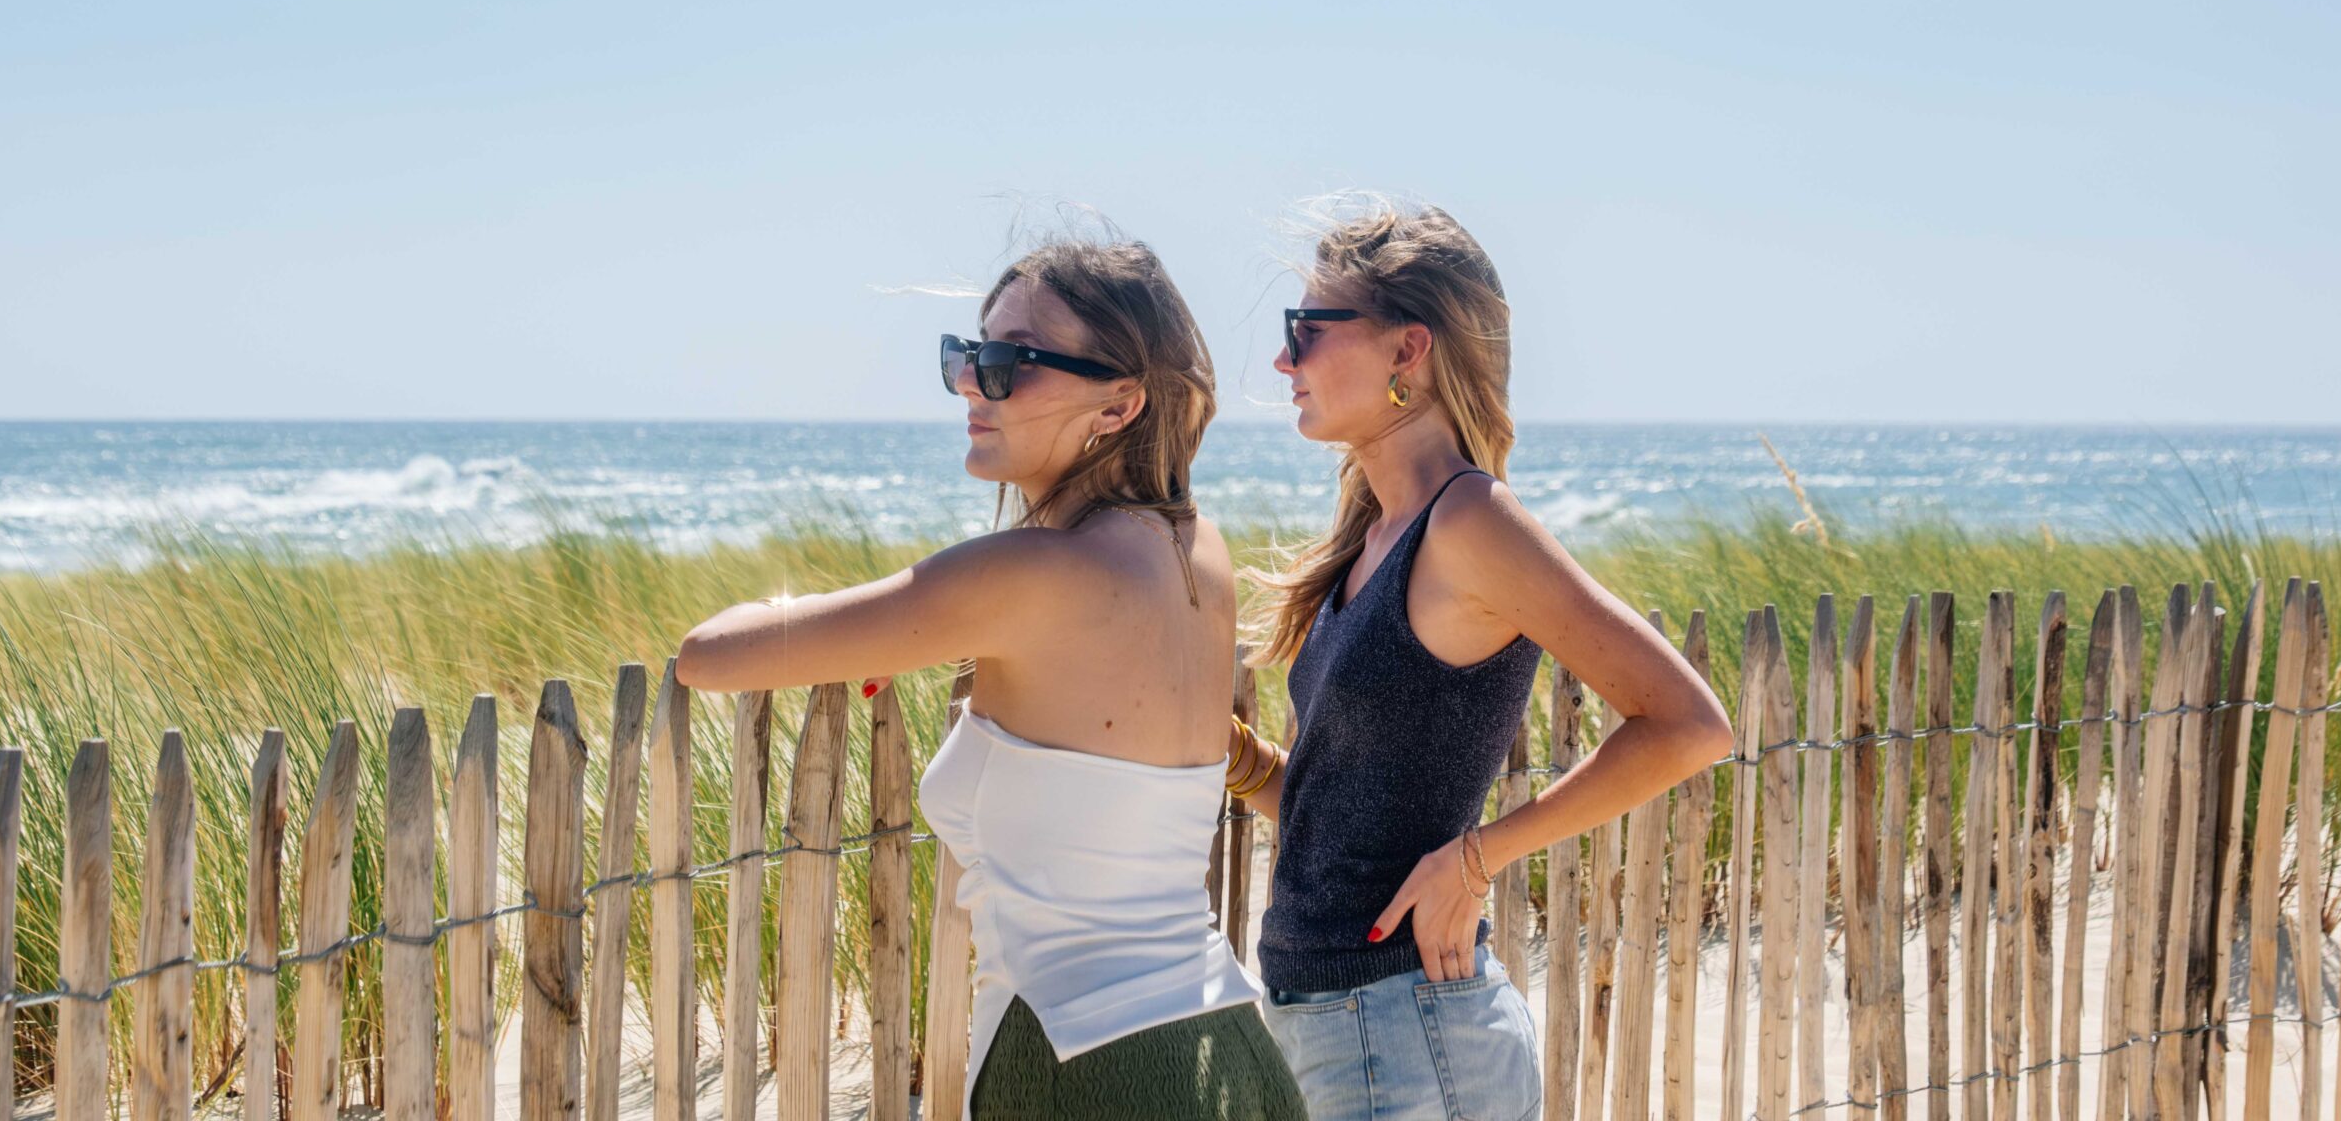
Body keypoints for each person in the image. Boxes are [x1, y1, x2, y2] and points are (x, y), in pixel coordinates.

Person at [676, 232, 1308, 1121]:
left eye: (1010, 363)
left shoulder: (1020, 575)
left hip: (1082, 1065)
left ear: (1120, 404)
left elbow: (710, 654)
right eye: (967, 357)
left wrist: (850, 623)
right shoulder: (1194, 550)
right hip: (1229, 1050)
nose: (974, 384)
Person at [1231, 197, 1733, 1121]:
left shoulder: (1468, 522)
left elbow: (1690, 725)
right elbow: (1343, 819)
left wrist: (1480, 857)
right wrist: (1241, 763)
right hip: (1334, 1027)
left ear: (1407, 350)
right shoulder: (1371, 538)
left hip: (1408, 1035)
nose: (1282, 359)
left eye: (1306, 330)